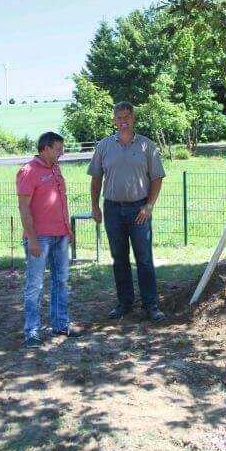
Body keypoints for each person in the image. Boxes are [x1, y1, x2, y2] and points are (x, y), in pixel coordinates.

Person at [88, 102, 166, 322]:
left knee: (144, 259)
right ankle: (125, 303)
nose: (123, 121)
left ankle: (151, 305)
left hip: (139, 209)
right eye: (119, 118)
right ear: (114, 120)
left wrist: (148, 206)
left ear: (133, 119)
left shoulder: (147, 146)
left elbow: (157, 178)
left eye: (127, 117)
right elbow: (96, 179)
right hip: (112, 209)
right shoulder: (103, 146)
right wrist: (95, 206)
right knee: (119, 258)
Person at [17, 131, 80, 347]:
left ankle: (60, 325)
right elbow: (24, 208)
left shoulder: (55, 169)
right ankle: (32, 331)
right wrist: (32, 239)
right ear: (45, 148)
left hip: (60, 236)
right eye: (58, 148)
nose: (62, 152)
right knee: (35, 285)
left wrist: (67, 229)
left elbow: (61, 201)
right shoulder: (28, 171)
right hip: (40, 238)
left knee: (61, 281)